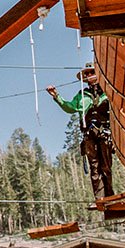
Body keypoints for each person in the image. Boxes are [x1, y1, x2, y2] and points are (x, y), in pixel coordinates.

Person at [46, 64, 114, 199]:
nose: (89, 76)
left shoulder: (108, 91)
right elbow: (70, 108)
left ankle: (110, 196)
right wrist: (56, 96)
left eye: (92, 73)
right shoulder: (82, 95)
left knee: (106, 166)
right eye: (87, 74)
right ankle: (100, 198)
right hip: (89, 134)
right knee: (95, 167)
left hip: (105, 132)